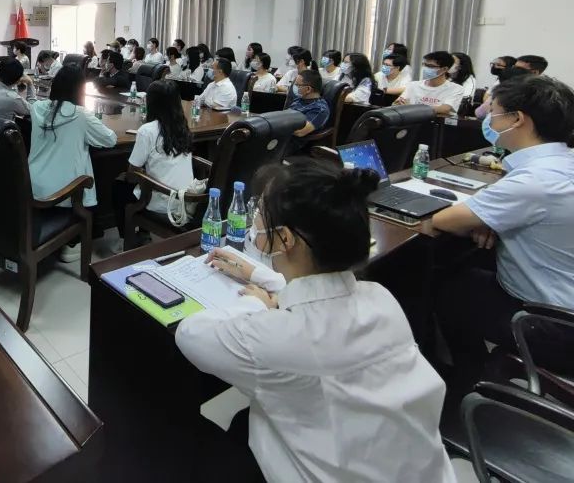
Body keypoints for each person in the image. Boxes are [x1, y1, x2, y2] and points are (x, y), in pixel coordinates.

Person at [178, 161, 455, 483]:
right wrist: (262, 276)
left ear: (284, 238)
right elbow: (321, 296)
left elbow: (190, 334)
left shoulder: (280, 337)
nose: (255, 219)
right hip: (411, 467)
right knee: (245, 421)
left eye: (260, 212)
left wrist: (256, 303)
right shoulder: (379, 298)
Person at [432, 76, 574, 375]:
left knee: (437, 286)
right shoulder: (563, 163)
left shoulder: (535, 181)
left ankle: (467, 378)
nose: (489, 120)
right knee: (468, 270)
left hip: (553, 324)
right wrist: (491, 221)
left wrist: (483, 218)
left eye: (494, 112)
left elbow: (443, 220)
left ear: (517, 119)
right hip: (563, 303)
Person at [28, 65, 116, 261]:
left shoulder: (37, 108)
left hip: (33, 186)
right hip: (66, 193)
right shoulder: (80, 115)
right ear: (80, 89)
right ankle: (73, 242)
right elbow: (110, 139)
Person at [114, 80, 194, 239]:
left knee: (118, 186)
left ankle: (129, 239)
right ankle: (143, 232)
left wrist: (139, 173)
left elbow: (132, 174)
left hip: (163, 201)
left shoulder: (147, 130)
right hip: (187, 199)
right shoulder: (183, 126)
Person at [394, 51, 462, 116]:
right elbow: (397, 103)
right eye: (424, 65)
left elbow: (445, 109)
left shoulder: (455, 89)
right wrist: (399, 104)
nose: (425, 68)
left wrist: (411, 108)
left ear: (444, 69)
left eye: (430, 66)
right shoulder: (413, 85)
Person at [286, 70, 329, 153]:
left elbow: (300, 132)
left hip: (291, 143)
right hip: (281, 136)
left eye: (298, 85)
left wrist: (276, 126)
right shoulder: (298, 100)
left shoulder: (320, 109)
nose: (294, 87)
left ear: (308, 89)